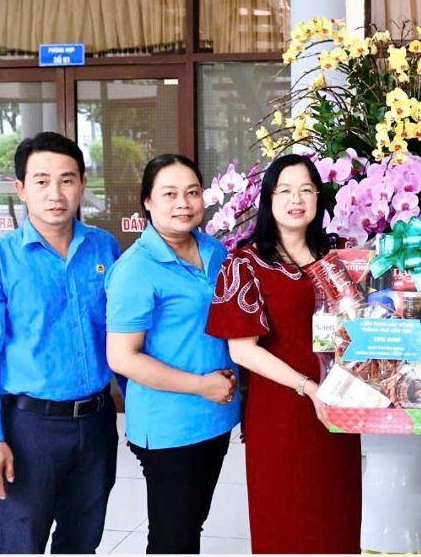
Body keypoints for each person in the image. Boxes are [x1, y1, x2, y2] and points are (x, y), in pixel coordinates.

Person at [0, 131, 120, 554]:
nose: (56, 193)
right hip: (30, 428)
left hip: (97, 420)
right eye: (42, 181)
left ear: (83, 185)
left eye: (67, 180)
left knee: (82, 540)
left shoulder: (105, 247)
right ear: (20, 188)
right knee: (23, 543)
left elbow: (122, 335)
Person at [206, 153, 361, 554]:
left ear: (318, 198)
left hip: (338, 411)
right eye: (286, 190)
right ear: (269, 199)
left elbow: (372, 320)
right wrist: (310, 388)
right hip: (282, 413)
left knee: (337, 518)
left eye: (307, 190)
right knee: (285, 519)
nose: (297, 199)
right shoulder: (245, 263)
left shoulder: (341, 255)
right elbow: (242, 351)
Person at [106, 154, 240, 554]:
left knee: (191, 524)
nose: (184, 203)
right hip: (169, 427)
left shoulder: (213, 250)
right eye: (169, 194)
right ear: (147, 201)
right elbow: (123, 358)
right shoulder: (135, 268)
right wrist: (201, 385)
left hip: (215, 417)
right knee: (172, 538)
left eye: (192, 192)